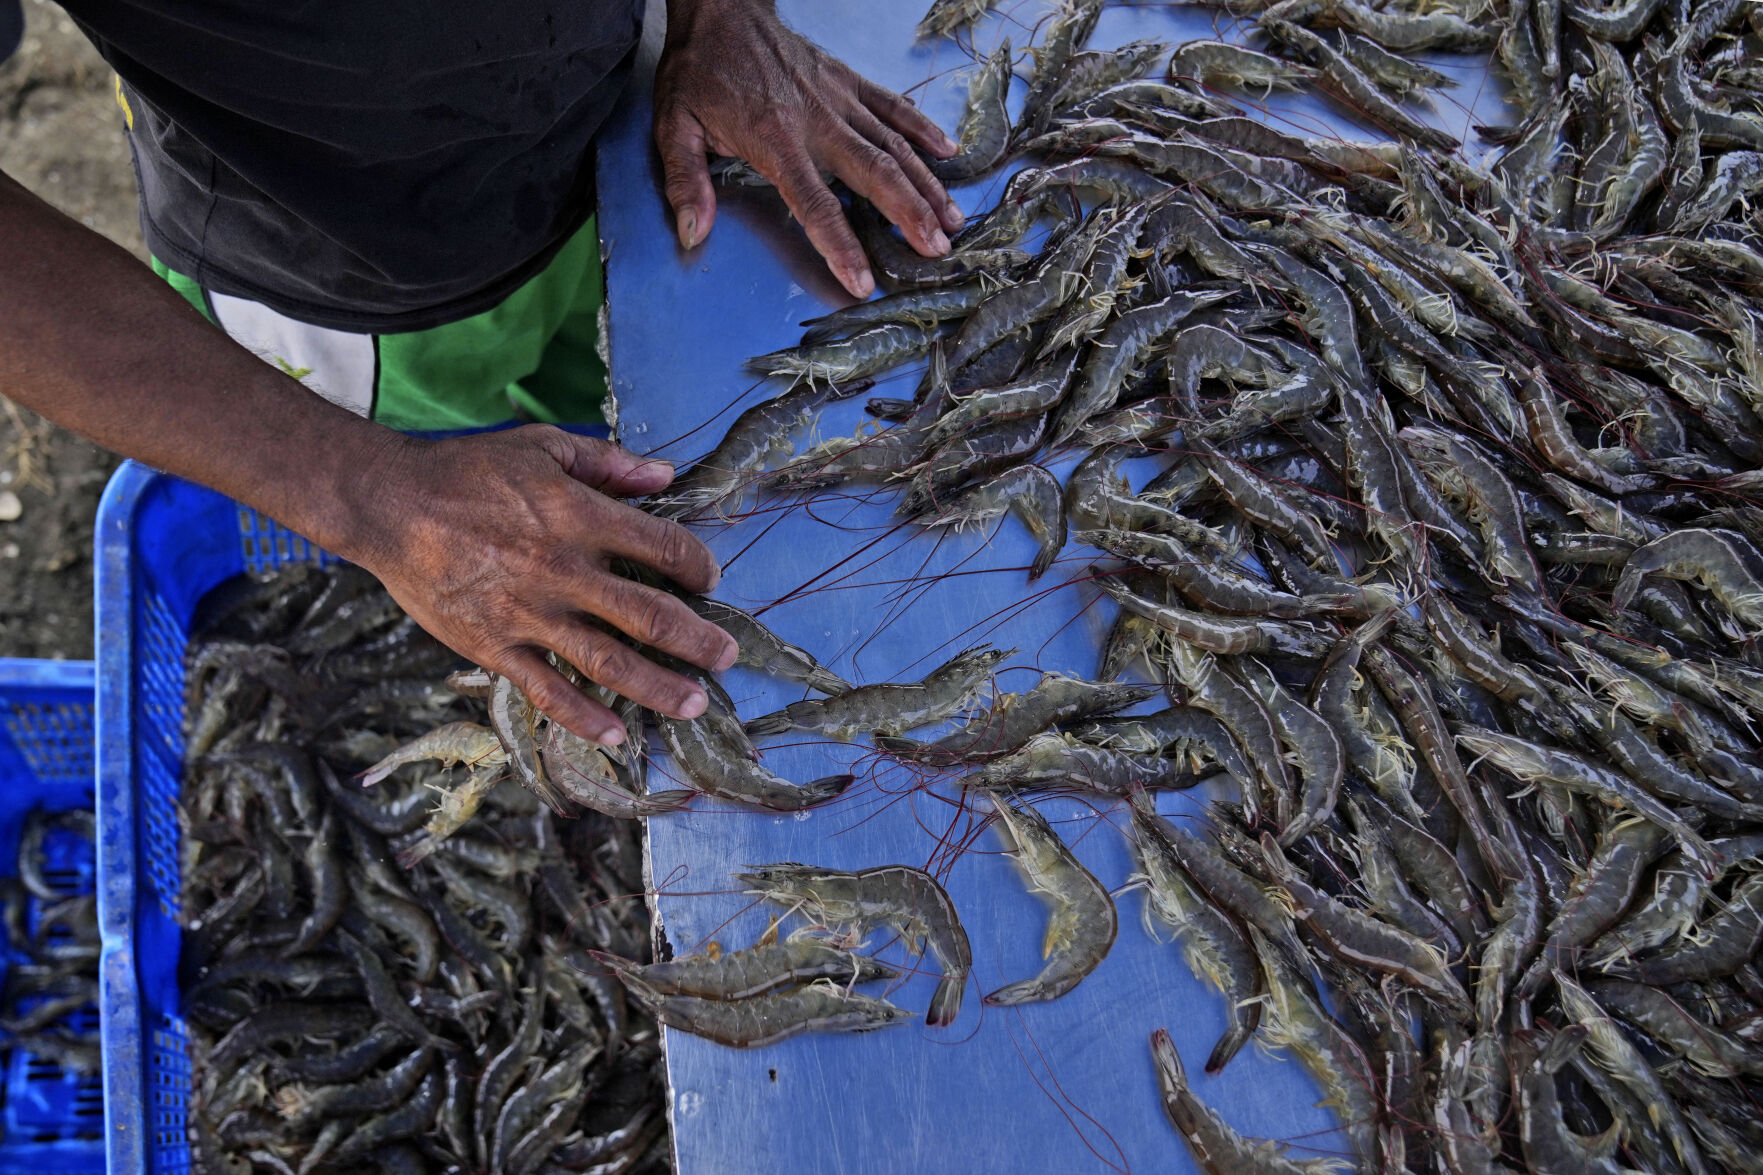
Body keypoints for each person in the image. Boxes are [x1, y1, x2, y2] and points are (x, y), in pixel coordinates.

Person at [0, 0, 962, 744]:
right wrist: (371, 493)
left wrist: (723, 16)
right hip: (357, 291)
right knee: (499, 572)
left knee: (665, 482)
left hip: (633, 126)